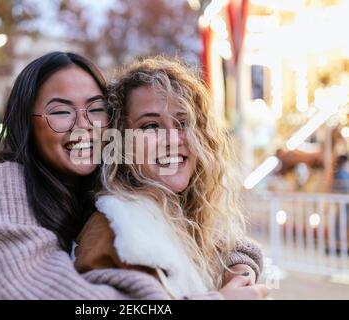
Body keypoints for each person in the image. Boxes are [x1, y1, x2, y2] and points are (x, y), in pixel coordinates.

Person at [0, 52, 171, 299]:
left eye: (97, 108)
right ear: (27, 124)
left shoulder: (101, 190)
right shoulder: (7, 181)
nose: (85, 125)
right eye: (62, 112)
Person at [74, 56, 268, 299]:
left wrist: (239, 269)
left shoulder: (184, 213)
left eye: (183, 123)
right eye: (150, 126)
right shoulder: (115, 230)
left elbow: (231, 246)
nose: (173, 139)